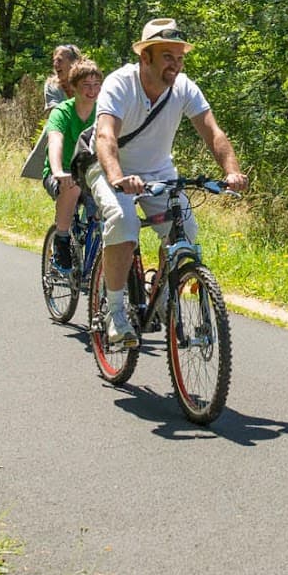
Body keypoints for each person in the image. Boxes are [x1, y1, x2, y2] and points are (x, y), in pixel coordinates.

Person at [83, 18, 248, 347]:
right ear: (146, 57)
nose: (176, 64)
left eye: (180, 57)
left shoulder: (184, 87)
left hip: (158, 173)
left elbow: (213, 132)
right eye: (168, 57)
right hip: (109, 168)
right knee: (122, 220)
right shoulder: (120, 84)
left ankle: (159, 295)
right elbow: (105, 136)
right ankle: (115, 313)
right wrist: (117, 178)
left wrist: (232, 171)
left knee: (186, 231)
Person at [42, 57, 103, 270]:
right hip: (63, 174)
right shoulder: (63, 112)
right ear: (74, 86)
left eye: (96, 85)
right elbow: (55, 141)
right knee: (72, 185)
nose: (92, 90)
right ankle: (61, 239)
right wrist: (58, 171)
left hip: (92, 174)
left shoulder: (103, 112)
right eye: (86, 85)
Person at [43, 44, 83, 110]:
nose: (55, 64)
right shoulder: (52, 85)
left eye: (59, 60)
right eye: (54, 61)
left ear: (74, 63)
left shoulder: (86, 84)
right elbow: (55, 111)